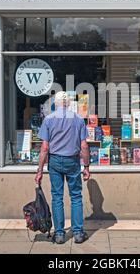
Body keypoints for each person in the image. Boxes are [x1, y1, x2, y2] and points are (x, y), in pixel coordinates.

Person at [35, 91, 91, 244]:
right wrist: (86, 166)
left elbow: (44, 148)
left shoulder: (48, 119)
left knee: (57, 197)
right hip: (73, 161)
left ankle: (59, 234)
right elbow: (84, 146)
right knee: (76, 196)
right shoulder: (78, 119)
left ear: (56, 104)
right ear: (69, 103)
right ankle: (78, 233)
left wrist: (39, 170)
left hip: (55, 162)